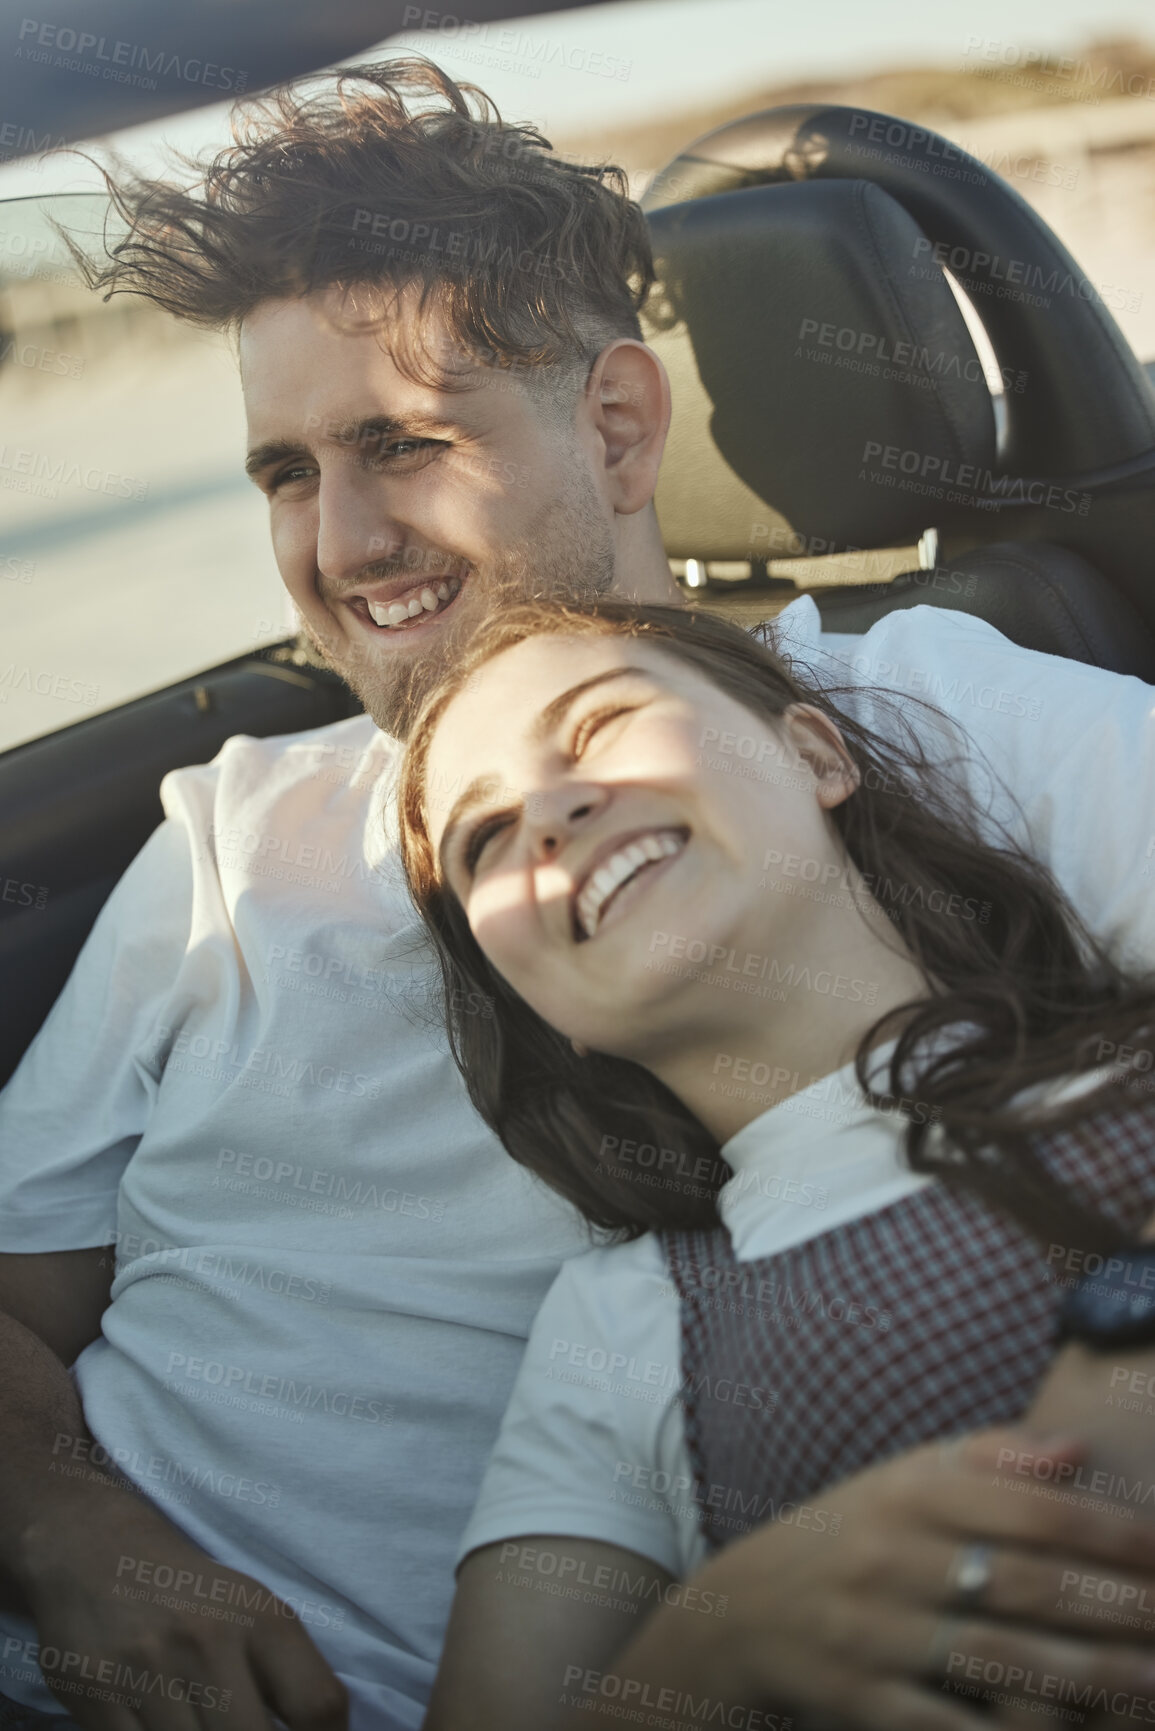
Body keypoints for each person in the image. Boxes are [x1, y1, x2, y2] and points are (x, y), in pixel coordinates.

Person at [1, 53, 1155, 1731]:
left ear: (618, 424)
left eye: (400, 445)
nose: (339, 543)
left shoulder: (928, 710)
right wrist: (68, 1531)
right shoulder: (237, 833)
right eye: (285, 476)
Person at [397, 594, 1155, 1729]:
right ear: (545, 1009)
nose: (547, 813)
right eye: (487, 838)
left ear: (814, 755)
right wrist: (716, 1645)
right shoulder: (622, 1328)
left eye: (601, 724)